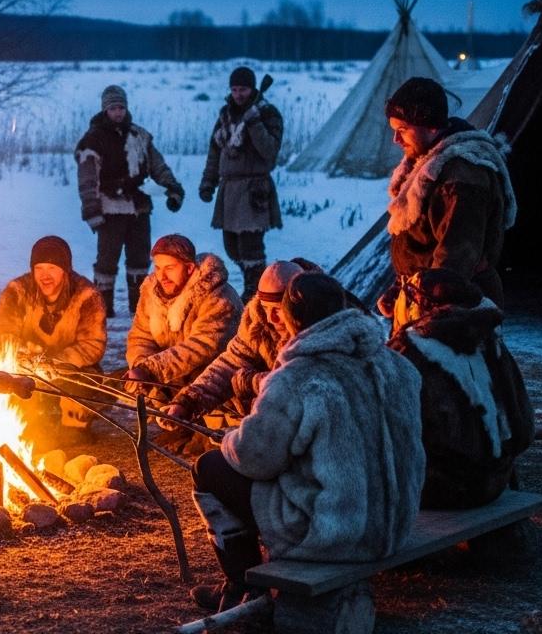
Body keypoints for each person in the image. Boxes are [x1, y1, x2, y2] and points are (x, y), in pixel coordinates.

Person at [187, 273, 424, 612]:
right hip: (394, 523)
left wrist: (230, 438)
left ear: (289, 318)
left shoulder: (297, 378)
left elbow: (253, 458)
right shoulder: (397, 365)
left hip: (333, 532)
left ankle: (244, 588)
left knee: (209, 468)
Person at [388, 268, 534, 509]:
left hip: (440, 488)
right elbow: (524, 430)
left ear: (418, 304)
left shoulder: (410, 351)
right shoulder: (491, 339)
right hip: (496, 480)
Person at [378, 76, 515, 329]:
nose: (396, 140)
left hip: (455, 309)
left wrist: (431, 309)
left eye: (403, 130)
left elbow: (457, 256)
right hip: (422, 300)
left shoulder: (463, 177)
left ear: (430, 125)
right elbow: (422, 244)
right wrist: (400, 289)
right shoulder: (426, 165)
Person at [75, 84, 184, 317]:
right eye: (113, 108)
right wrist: (92, 210)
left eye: (121, 107)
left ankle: (140, 307)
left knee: (140, 260)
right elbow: (87, 178)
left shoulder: (139, 136)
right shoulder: (93, 140)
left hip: (139, 208)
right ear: (105, 110)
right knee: (106, 261)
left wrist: (173, 188)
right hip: (110, 209)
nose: (118, 112)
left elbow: (157, 166)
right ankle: (102, 309)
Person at [158, 261, 304, 428]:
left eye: (278, 309)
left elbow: (302, 385)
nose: (271, 318)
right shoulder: (257, 322)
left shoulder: (322, 324)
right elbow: (231, 363)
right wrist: (188, 402)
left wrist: (250, 382)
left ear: (297, 303)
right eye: (266, 308)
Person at [0, 235, 107, 429]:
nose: (45, 275)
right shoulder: (17, 291)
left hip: (69, 369)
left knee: (83, 392)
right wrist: (24, 357)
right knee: (23, 422)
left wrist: (56, 362)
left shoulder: (87, 296)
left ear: (65, 270)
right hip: (25, 369)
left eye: (52, 268)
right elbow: (3, 334)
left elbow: (93, 344)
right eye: (39, 268)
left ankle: (73, 424)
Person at [124, 234, 242, 409]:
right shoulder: (151, 293)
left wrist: (151, 370)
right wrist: (141, 367)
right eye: (157, 268)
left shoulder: (218, 297)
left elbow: (202, 346)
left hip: (213, 386)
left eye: (170, 268)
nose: (161, 276)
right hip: (172, 379)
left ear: (189, 268)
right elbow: (140, 337)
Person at [199, 66, 284, 300]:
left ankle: (255, 291)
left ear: (252, 88)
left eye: (243, 89)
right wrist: (208, 181)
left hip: (254, 188)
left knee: (251, 246)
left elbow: (269, 151)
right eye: (234, 89)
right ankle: (254, 280)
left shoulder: (267, 114)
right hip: (229, 190)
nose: (238, 94)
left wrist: (254, 123)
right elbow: (215, 151)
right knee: (232, 247)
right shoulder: (226, 115)